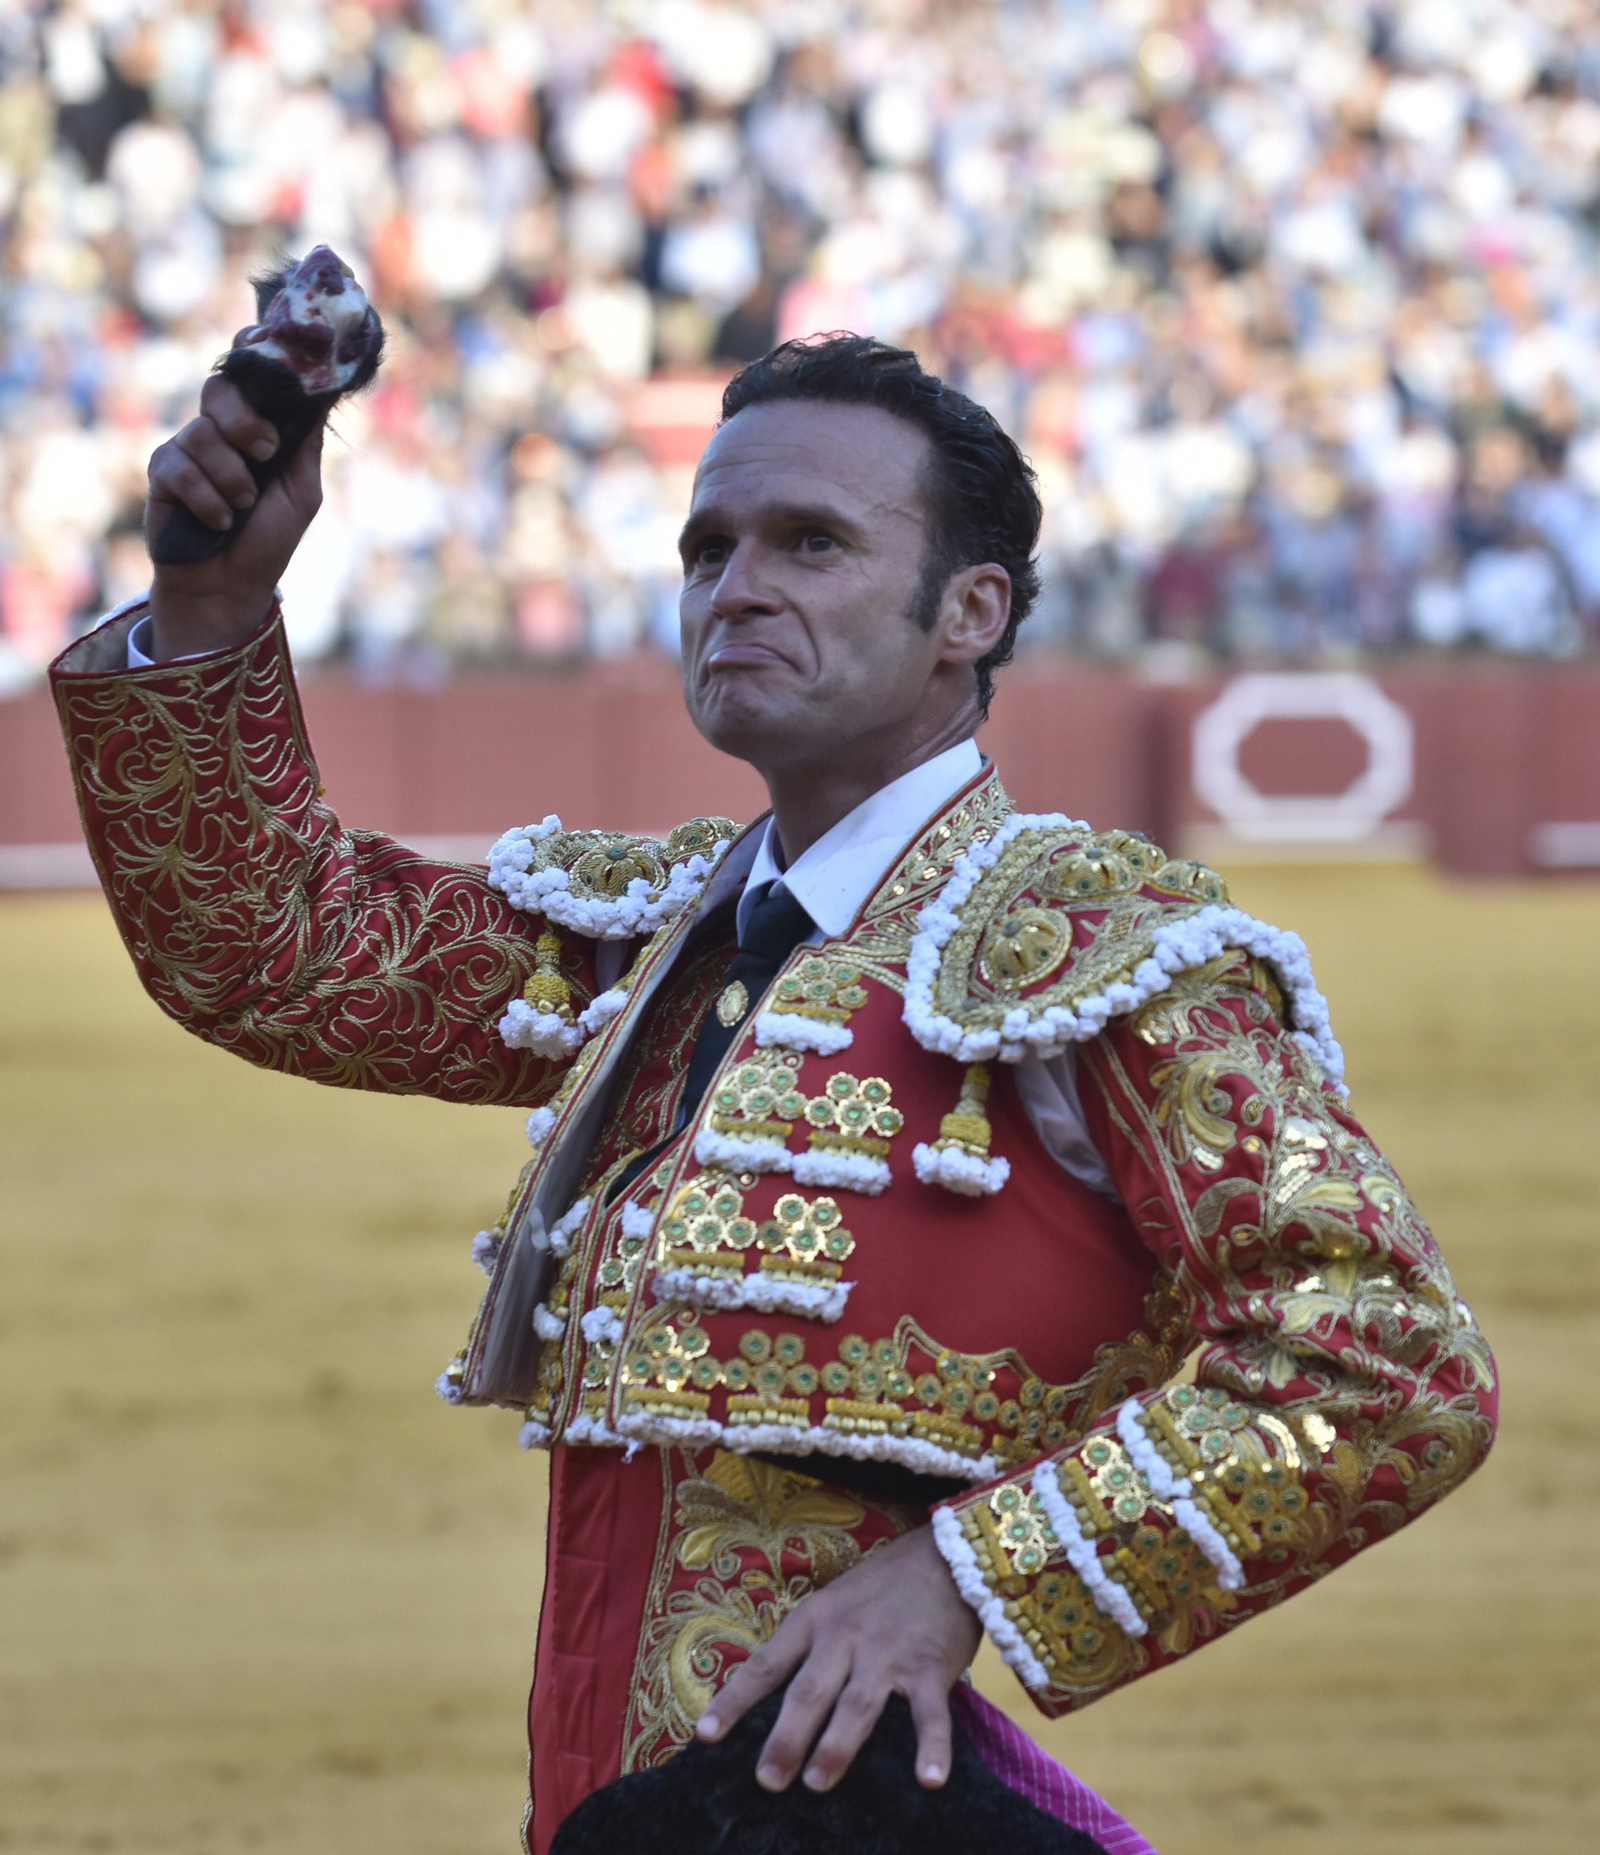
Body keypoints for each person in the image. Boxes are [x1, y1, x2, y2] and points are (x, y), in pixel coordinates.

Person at [49, 335, 1497, 1853]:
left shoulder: (1095, 952)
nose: (735, 586)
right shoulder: (664, 938)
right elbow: (277, 949)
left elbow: (1389, 1357)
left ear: (970, 612)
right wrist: (215, 604)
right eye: (710, 547)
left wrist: (968, 1579)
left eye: (811, 543)